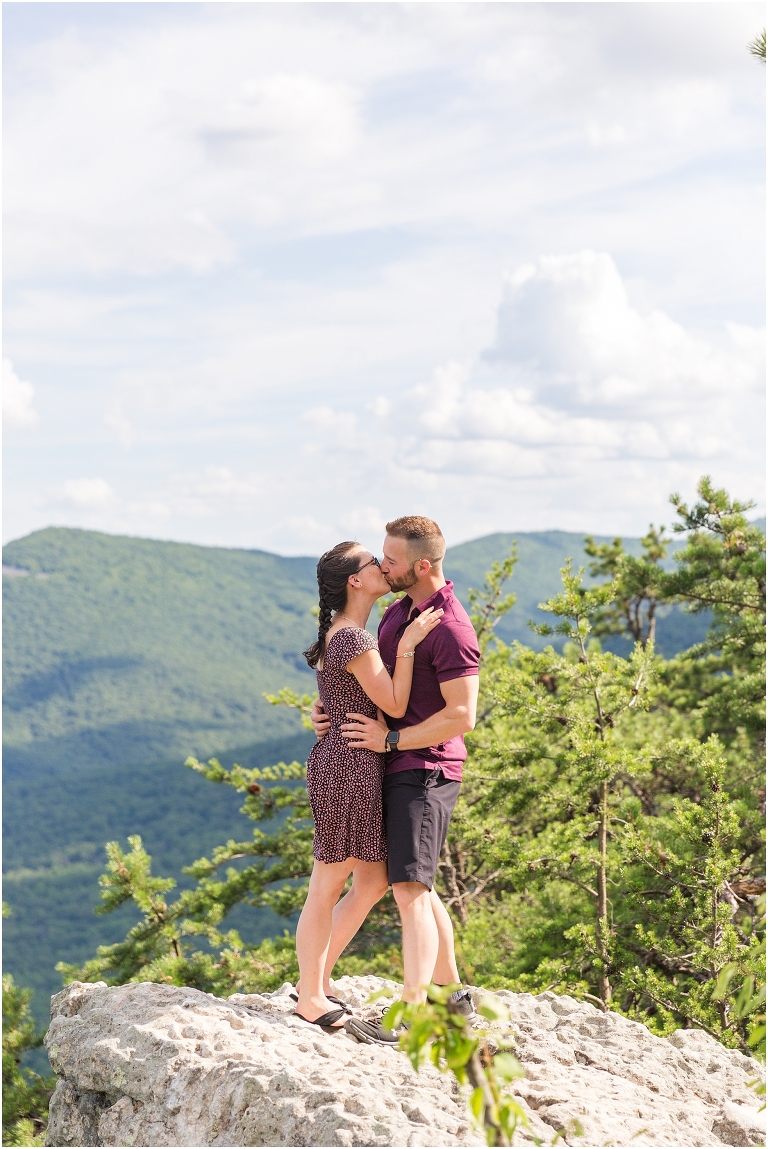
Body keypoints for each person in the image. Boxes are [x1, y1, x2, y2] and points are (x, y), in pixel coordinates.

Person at [311, 516, 480, 1031]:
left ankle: (416, 1006)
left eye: (391, 560)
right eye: (378, 558)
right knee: (410, 883)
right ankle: (452, 996)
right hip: (386, 762)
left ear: (421, 565)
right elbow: (363, 679)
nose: (384, 565)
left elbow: (462, 716)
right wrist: (329, 713)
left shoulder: (449, 626)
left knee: (409, 888)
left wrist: (390, 739)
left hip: (424, 766)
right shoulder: (398, 613)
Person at [294, 540, 443, 1039]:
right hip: (348, 769)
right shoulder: (353, 640)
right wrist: (406, 647)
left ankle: (315, 980)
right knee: (327, 883)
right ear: (356, 581)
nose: (382, 566)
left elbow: (339, 698)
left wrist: (327, 718)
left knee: (374, 881)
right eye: (372, 562)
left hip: (352, 764)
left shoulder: (347, 635)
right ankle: (310, 996)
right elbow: (396, 704)